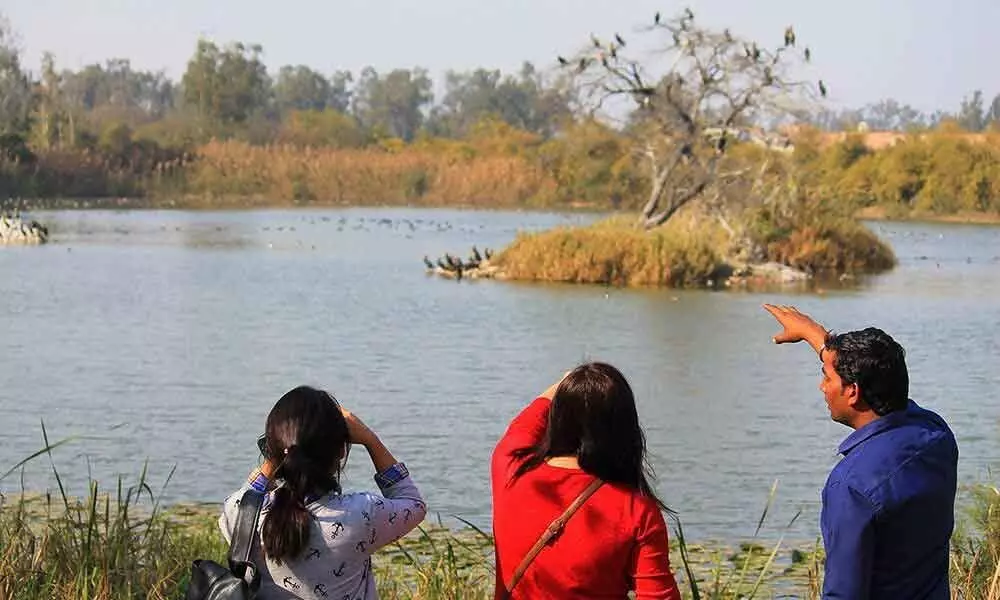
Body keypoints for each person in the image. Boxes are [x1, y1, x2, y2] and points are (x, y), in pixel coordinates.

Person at [763, 304, 958, 599]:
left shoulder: (852, 486)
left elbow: (844, 593)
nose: (822, 387)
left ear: (853, 391)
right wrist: (815, 335)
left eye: (827, 378)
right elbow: (884, 387)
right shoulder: (935, 434)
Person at [490, 362, 682, 600]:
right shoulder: (636, 511)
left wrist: (569, 382)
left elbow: (529, 418)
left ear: (558, 418)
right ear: (625, 430)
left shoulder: (511, 468)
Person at [219, 385, 426, 599]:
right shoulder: (361, 514)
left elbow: (248, 494)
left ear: (273, 449)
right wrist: (370, 439)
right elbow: (413, 504)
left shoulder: (242, 514)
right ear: (341, 450)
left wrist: (276, 455)